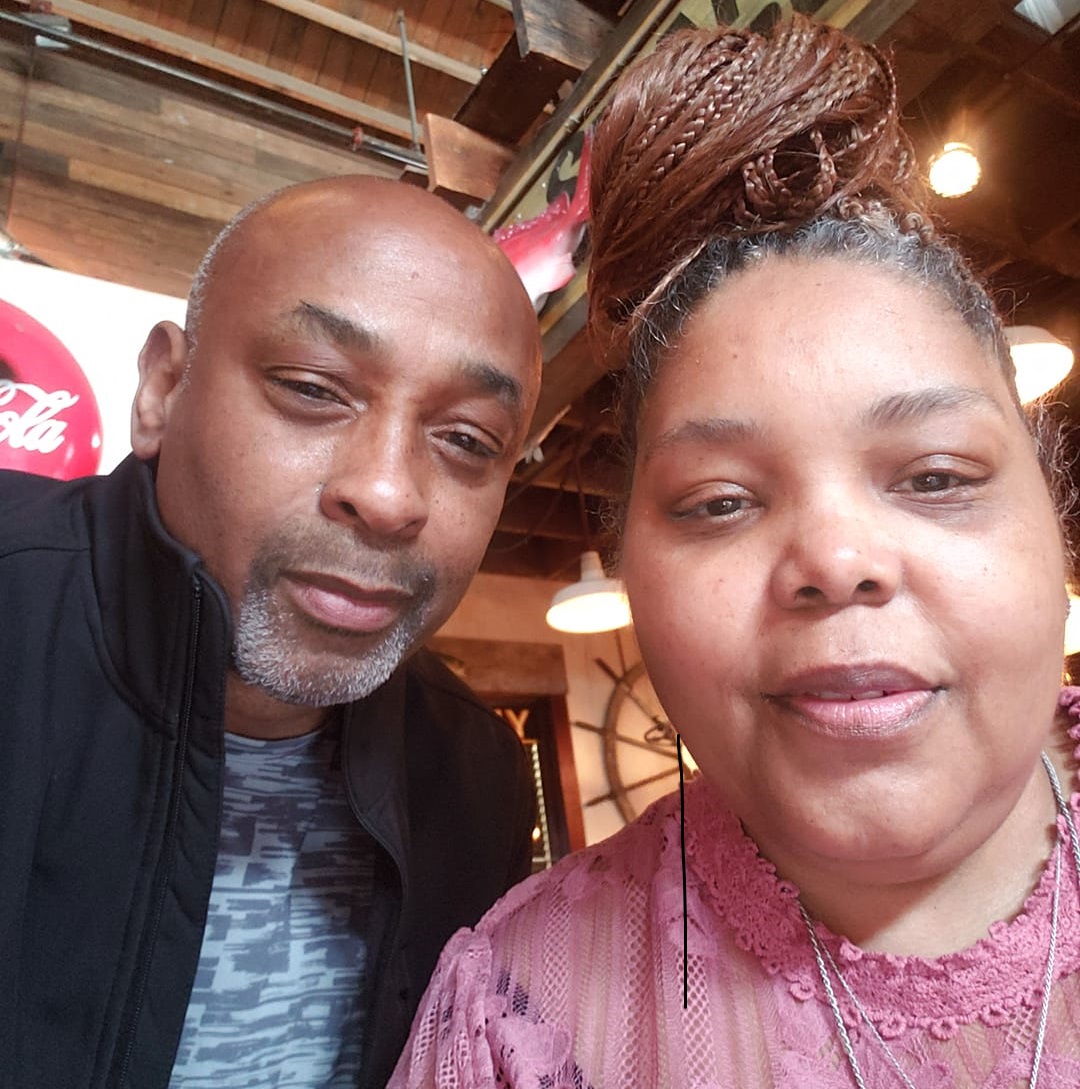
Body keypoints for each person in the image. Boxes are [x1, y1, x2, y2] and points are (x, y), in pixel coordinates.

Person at [388, 16, 1080, 1088]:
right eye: (719, 502)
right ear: (628, 568)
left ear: (1053, 507)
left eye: (936, 477)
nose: (837, 559)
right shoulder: (514, 1022)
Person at [0, 175, 543, 1089]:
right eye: (312, 387)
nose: (389, 494)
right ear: (163, 389)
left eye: (466, 440)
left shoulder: (475, 774)